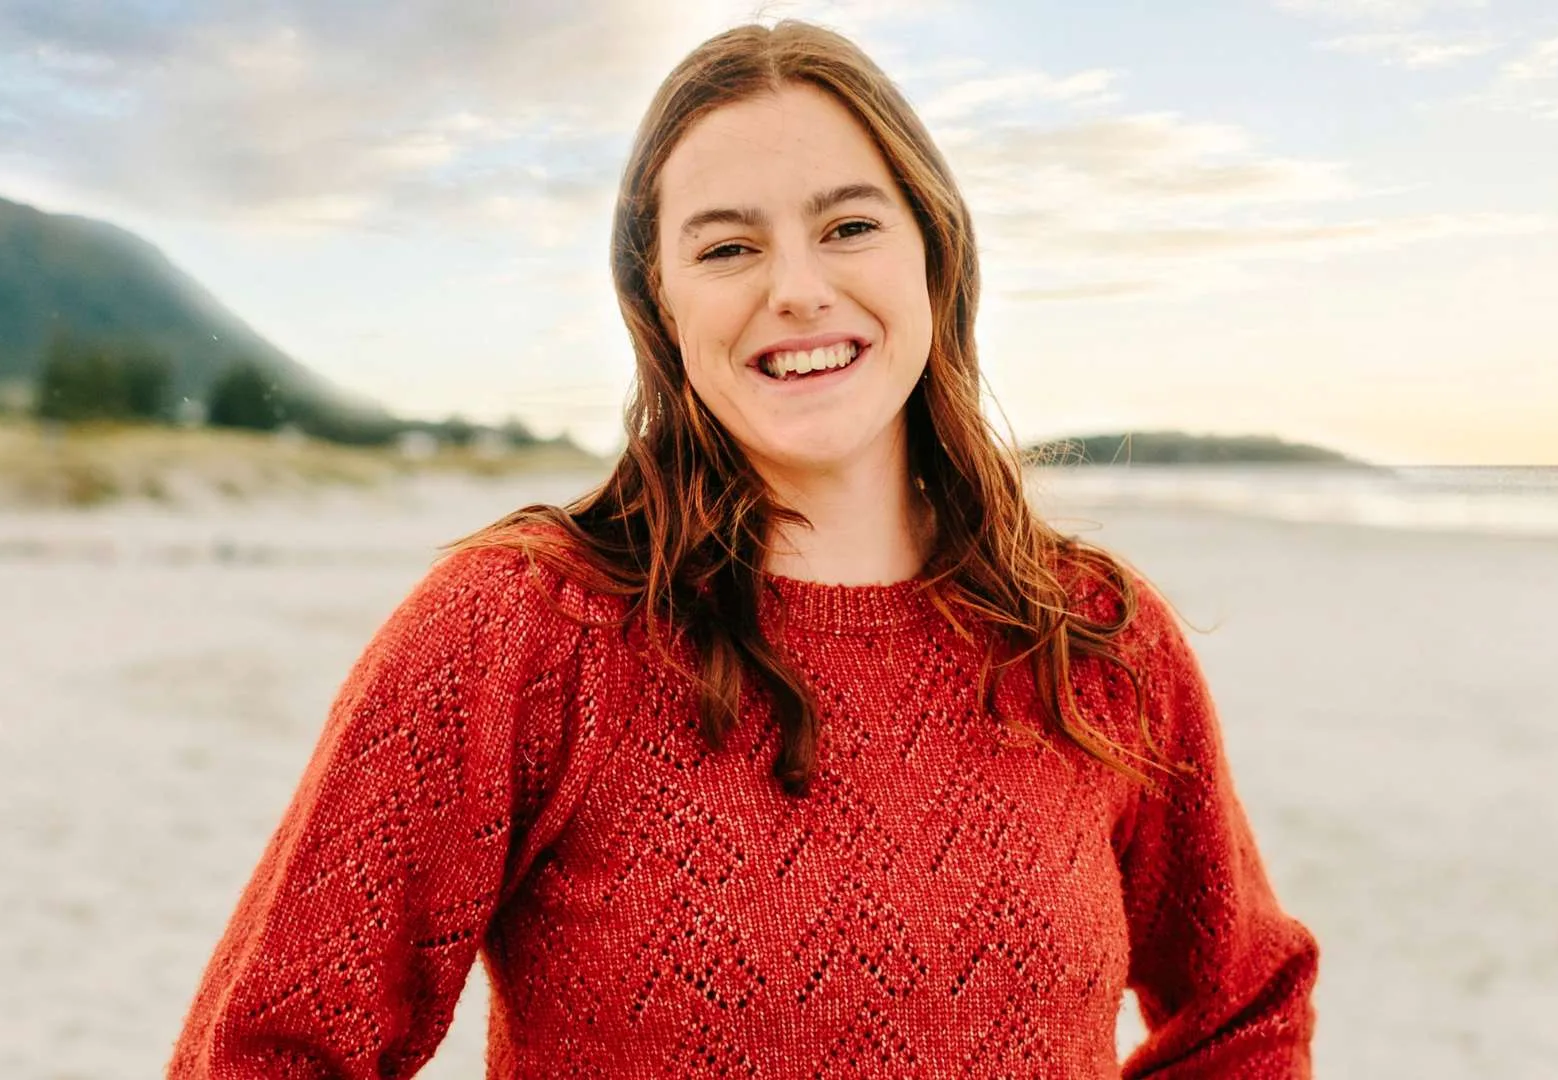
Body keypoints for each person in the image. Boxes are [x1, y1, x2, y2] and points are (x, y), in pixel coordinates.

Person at [166, 19, 1317, 1079]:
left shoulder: (1091, 636)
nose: (797, 291)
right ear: (659, 301)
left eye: (849, 226)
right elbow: (270, 1049)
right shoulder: (523, 626)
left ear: (935, 255)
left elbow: (1247, 1014)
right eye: (727, 249)